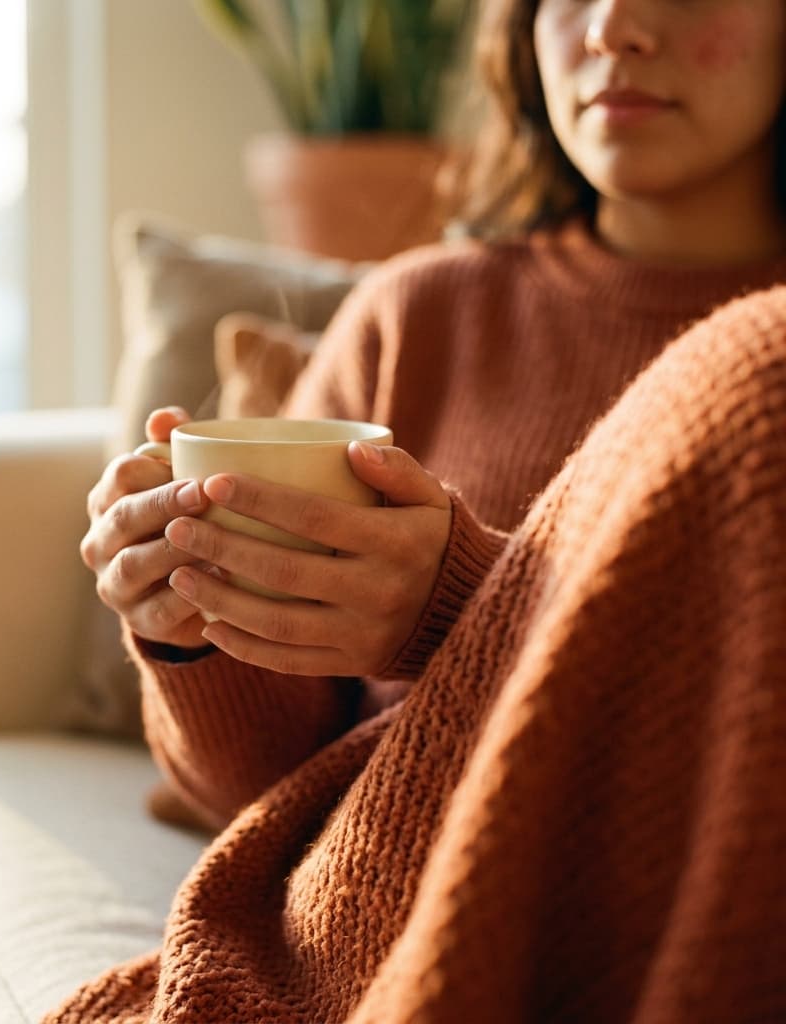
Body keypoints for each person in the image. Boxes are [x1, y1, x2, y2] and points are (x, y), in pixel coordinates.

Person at [63, 0, 786, 1016]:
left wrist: (463, 606)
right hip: (397, 895)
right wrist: (189, 628)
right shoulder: (422, 315)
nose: (615, 24)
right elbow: (266, 788)